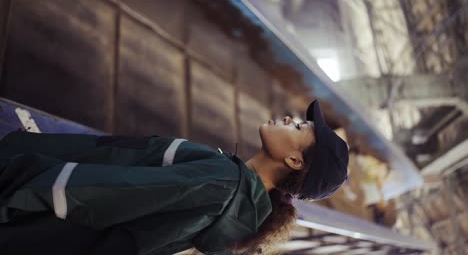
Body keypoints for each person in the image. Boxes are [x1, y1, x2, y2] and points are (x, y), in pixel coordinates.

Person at [0, 100, 348, 255]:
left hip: (29, 207)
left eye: (300, 127)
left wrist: (18, 185)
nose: (290, 118)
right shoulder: (245, 225)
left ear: (294, 160)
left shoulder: (223, 180)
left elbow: (107, 191)